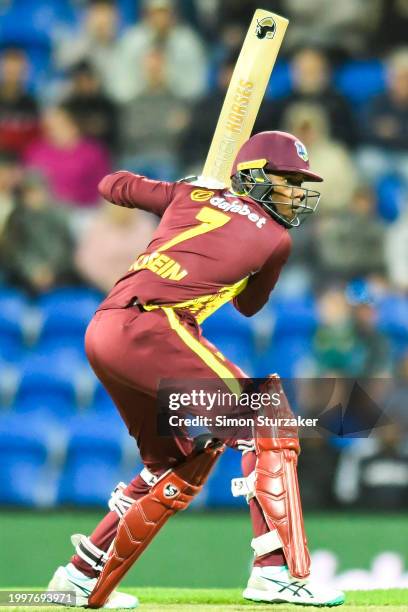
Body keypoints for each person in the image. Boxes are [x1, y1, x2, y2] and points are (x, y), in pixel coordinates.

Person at [48, 131, 344, 607]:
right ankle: (277, 571)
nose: (296, 192)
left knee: (171, 463)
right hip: (154, 326)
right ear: (254, 176)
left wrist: (182, 193)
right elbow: (249, 306)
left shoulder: (190, 193)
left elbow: (110, 184)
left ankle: (79, 578)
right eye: (287, 180)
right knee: (264, 413)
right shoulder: (275, 239)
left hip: (104, 329)